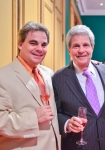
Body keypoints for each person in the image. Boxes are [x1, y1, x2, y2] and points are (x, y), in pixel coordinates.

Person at [52, 25, 105, 150]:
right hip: (77, 146)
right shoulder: (58, 78)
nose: (81, 50)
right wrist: (66, 123)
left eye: (86, 45)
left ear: (92, 47)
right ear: (69, 49)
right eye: (76, 46)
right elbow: (55, 113)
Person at [0, 22, 60, 150]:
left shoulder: (48, 73)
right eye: (33, 43)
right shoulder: (2, 76)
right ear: (20, 44)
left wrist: (87, 65)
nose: (39, 49)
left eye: (44, 45)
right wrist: (34, 118)